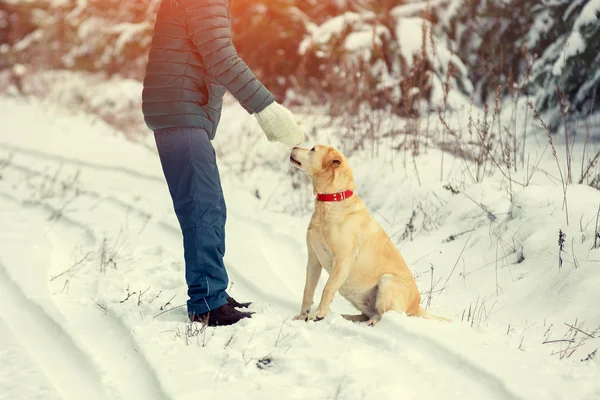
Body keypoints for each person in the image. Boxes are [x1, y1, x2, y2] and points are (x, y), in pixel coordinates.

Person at [142, 0, 305, 326]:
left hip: (181, 109)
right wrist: (267, 108)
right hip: (180, 110)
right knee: (203, 207)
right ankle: (207, 303)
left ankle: (211, 292)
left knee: (209, 205)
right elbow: (221, 58)